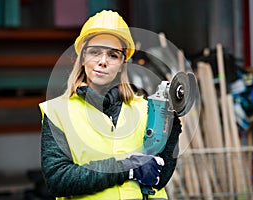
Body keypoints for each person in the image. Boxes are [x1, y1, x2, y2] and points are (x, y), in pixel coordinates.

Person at [39, 10, 182, 200]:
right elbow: (59, 178)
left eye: (113, 55)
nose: (103, 62)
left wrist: (170, 133)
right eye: (94, 52)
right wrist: (126, 168)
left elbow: (158, 178)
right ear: (82, 58)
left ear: (123, 63)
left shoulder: (147, 109)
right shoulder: (58, 112)